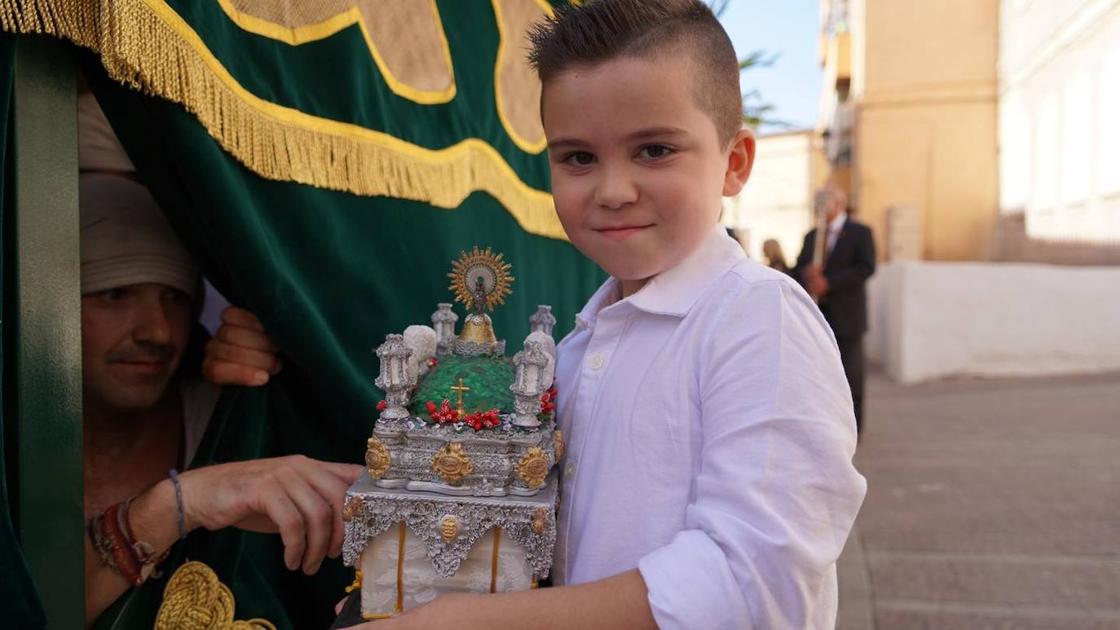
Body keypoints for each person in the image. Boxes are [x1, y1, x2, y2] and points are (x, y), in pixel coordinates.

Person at [351, 2, 865, 628]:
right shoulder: (575, 346)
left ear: (734, 163)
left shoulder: (758, 319)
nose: (613, 190)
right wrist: (398, 512)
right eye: (578, 158)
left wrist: (468, 621)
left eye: (653, 150)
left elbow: (749, 577)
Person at [79, 171, 361, 627]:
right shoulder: (13, 438)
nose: (157, 331)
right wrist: (182, 502)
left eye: (174, 297)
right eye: (114, 294)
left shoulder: (225, 417)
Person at [793, 184, 876, 434]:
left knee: (851, 375)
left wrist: (829, 282)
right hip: (818, 317)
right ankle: (825, 426)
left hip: (847, 316)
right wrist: (806, 275)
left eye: (823, 205)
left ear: (838, 204)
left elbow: (866, 268)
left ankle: (853, 430)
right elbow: (797, 267)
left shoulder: (860, 232)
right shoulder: (811, 236)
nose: (819, 210)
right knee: (819, 373)